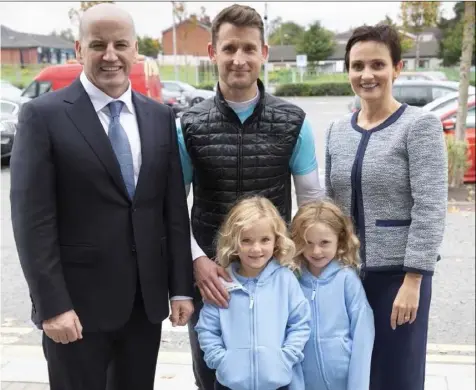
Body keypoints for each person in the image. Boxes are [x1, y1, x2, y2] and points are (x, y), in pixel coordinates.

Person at [9, 4, 194, 390]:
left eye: (120, 44)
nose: (110, 55)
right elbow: (32, 222)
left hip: (144, 307)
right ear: (79, 50)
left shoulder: (159, 116)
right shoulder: (43, 117)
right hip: (76, 310)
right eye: (98, 45)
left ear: (135, 49)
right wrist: (52, 305)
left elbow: (172, 210)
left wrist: (179, 287)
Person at [176, 5, 322, 388]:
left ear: (264, 53)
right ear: (213, 53)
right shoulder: (189, 125)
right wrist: (196, 262)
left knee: (279, 377)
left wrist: (298, 266)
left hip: (275, 279)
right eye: (229, 49)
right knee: (213, 378)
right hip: (212, 280)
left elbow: (311, 202)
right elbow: (173, 205)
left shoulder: (294, 122)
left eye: (248, 49)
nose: (238, 60)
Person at [324, 24, 448, 390]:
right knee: (353, 372)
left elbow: (430, 206)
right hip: (346, 275)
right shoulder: (337, 130)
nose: (367, 75)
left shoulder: (419, 126)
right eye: (357, 65)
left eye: (377, 64)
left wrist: (414, 279)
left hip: (398, 277)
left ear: (397, 68)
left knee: (397, 374)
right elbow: (330, 206)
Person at [195, 196, 311, 390]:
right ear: (233, 241)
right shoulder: (223, 283)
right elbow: (207, 329)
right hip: (229, 385)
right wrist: (222, 362)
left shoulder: (285, 280)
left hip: (278, 383)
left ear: (276, 241)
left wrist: (286, 357)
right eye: (246, 240)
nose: (256, 248)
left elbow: (300, 323)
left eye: (264, 239)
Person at [290, 200, 374, 390]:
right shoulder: (291, 282)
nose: (316, 251)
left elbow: (363, 337)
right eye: (307, 243)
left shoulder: (347, 280)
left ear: (340, 240)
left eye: (324, 243)